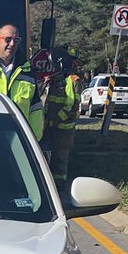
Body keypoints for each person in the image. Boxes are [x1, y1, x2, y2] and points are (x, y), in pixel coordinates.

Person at [42, 46, 82, 187]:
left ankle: (59, 185)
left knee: (60, 158)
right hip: (50, 126)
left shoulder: (73, 81)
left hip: (64, 129)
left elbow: (72, 105)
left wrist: (56, 119)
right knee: (45, 155)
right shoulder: (55, 79)